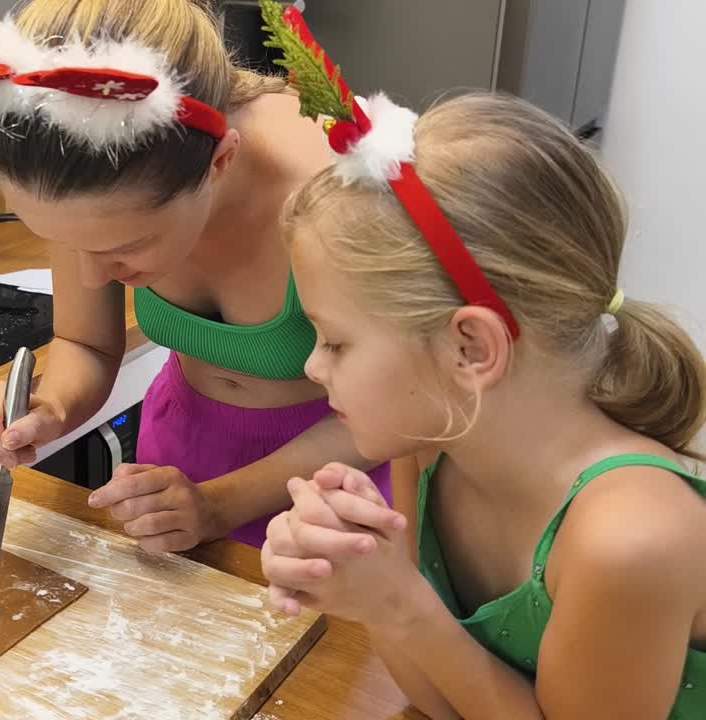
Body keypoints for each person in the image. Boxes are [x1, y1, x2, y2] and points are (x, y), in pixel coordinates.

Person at [258, 80, 706, 720]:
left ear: (471, 347)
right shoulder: (432, 447)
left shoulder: (629, 541)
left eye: (335, 341)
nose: (312, 366)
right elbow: (443, 702)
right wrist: (364, 583)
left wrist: (400, 603)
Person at [0, 0, 392, 552]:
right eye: (66, 241)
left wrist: (220, 504)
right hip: (177, 460)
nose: (92, 272)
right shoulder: (83, 161)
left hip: (330, 486)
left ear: (220, 163)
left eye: (127, 247)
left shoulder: (340, 190)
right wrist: (49, 410)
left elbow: (390, 413)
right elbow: (85, 343)